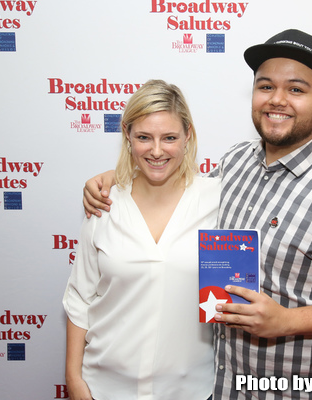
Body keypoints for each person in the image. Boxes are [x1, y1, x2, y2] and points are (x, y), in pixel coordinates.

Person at [83, 30, 312, 400]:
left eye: (297, 90)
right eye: (266, 86)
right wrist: (119, 180)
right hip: (222, 386)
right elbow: (179, 189)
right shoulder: (236, 162)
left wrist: (287, 321)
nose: (277, 100)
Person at [63, 79, 220, 400]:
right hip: (103, 387)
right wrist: (74, 380)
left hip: (192, 388)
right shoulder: (104, 202)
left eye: (170, 138)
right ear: (127, 135)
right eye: (144, 138)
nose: (157, 150)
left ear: (188, 135)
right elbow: (80, 300)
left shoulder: (218, 200)